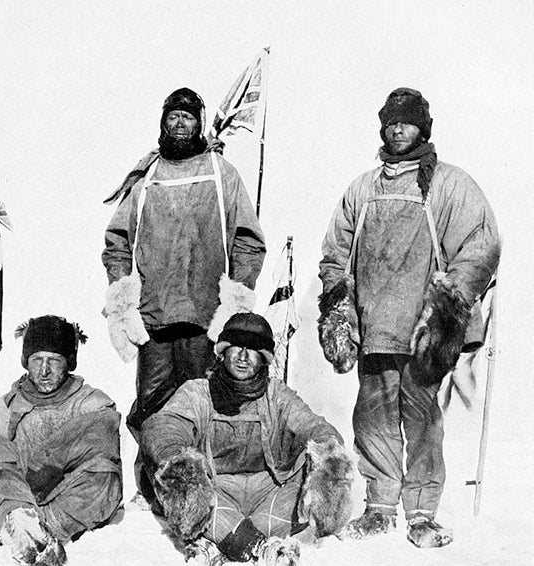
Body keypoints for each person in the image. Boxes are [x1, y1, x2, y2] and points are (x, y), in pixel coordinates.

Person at [317, 87, 501, 548]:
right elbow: (336, 252)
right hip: (375, 326)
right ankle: (380, 507)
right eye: (391, 121)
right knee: (372, 418)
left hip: (423, 332)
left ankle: (422, 513)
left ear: (424, 128)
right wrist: (340, 303)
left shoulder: (451, 185)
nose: (398, 129)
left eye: (408, 121)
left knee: (421, 420)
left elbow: (481, 245)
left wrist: (447, 305)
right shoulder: (363, 188)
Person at [101, 87, 266, 498]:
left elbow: (247, 239)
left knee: (204, 402)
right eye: (173, 115)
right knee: (153, 403)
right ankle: (153, 486)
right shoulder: (147, 176)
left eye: (188, 117)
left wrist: (237, 299)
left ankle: (204, 485)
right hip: (155, 316)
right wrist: (123, 294)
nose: (179, 123)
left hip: (205, 318)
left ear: (199, 123)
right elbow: (118, 240)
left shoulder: (220, 172)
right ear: (163, 121)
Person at [141, 313, 356, 566]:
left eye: (253, 350)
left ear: (263, 359)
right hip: (215, 490)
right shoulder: (197, 392)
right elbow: (165, 425)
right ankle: (257, 546)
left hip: (268, 491)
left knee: (307, 477)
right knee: (186, 490)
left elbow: (312, 425)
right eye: (236, 347)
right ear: (222, 352)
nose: (243, 356)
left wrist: (330, 456)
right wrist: (176, 459)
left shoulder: (277, 394)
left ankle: (220, 540)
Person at [0, 315, 123, 565]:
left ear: (69, 363)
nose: (44, 370)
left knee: (104, 479)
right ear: (25, 363)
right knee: (2, 478)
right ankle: (22, 527)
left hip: (68, 498)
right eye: (37, 360)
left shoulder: (91, 404)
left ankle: (22, 529)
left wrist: (49, 466)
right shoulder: (2, 411)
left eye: (54, 360)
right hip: (18, 494)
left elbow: (102, 457)